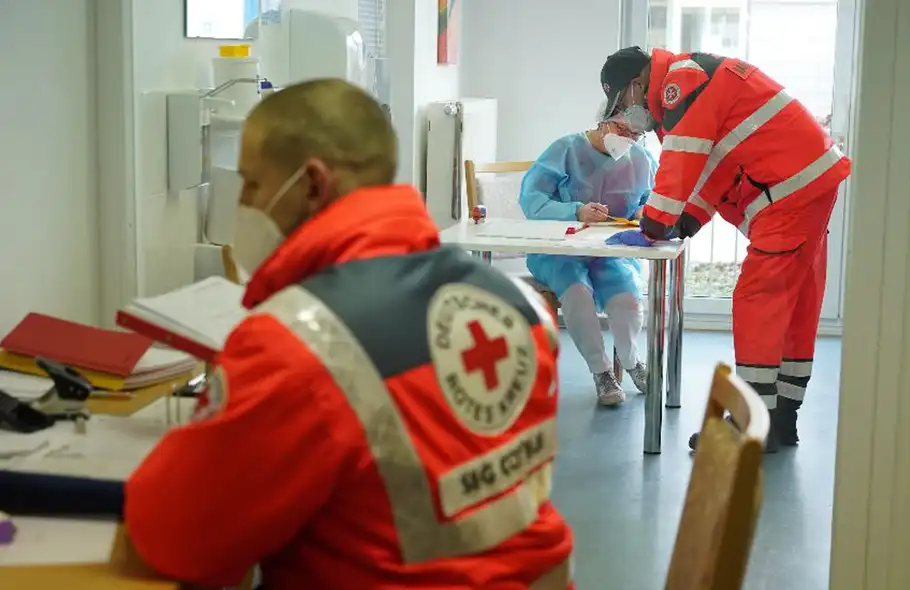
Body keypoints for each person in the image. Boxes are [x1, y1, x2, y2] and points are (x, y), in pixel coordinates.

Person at [0, 79, 574, 589]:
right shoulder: (515, 302)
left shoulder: (303, 343)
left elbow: (184, 540)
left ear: (312, 185)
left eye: (250, 184)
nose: (242, 204)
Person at [600, 46, 851, 452]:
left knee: (759, 301)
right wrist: (686, 220)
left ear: (636, 85)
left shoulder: (679, 84)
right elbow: (718, 167)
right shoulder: (697, 77)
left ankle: (752, 425)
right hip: (807, 182)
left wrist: (655, 223)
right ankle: (782, 418)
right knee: (794, 301)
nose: (628, 114)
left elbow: (681, 163)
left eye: (623, 103)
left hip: (792, 191)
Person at [520, 115, 656, 406]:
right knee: (577, 293)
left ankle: (632, 361)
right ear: (604, 122)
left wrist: (646, 211)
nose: (630, 138)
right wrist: (576, 211)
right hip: (560, 251)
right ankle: (602, 371)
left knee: (627, 298)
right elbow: (532, 199)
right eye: (624, 129)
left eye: (637, 134)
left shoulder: (641, 159)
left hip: (609, 249)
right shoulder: (566, 150)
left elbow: (651, 196)